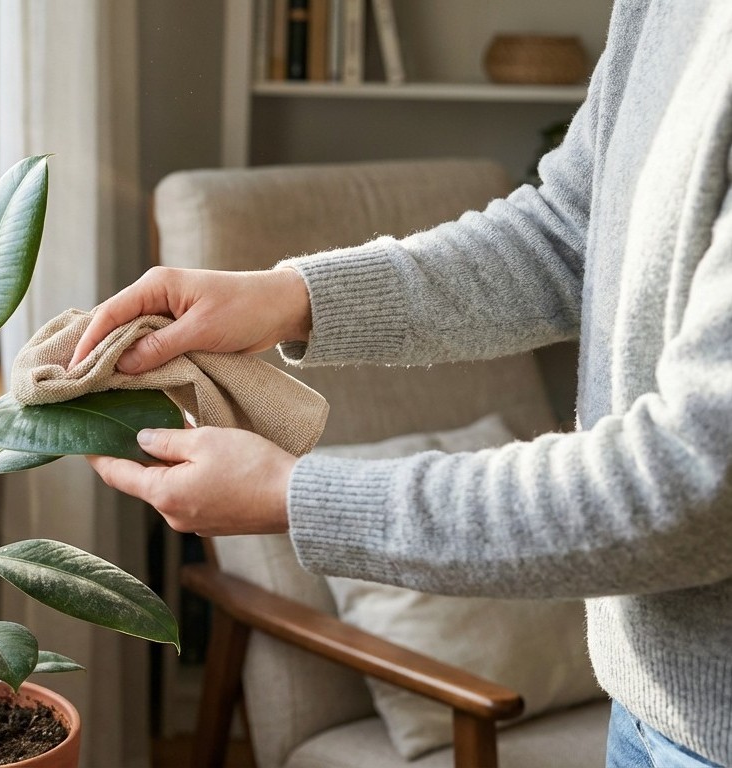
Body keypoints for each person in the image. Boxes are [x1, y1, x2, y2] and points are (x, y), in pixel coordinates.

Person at [71, 2, 732, 766]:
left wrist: (298, 499)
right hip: (644, 705)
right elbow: (565, 231)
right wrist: (293, 297)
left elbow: (690, 485)